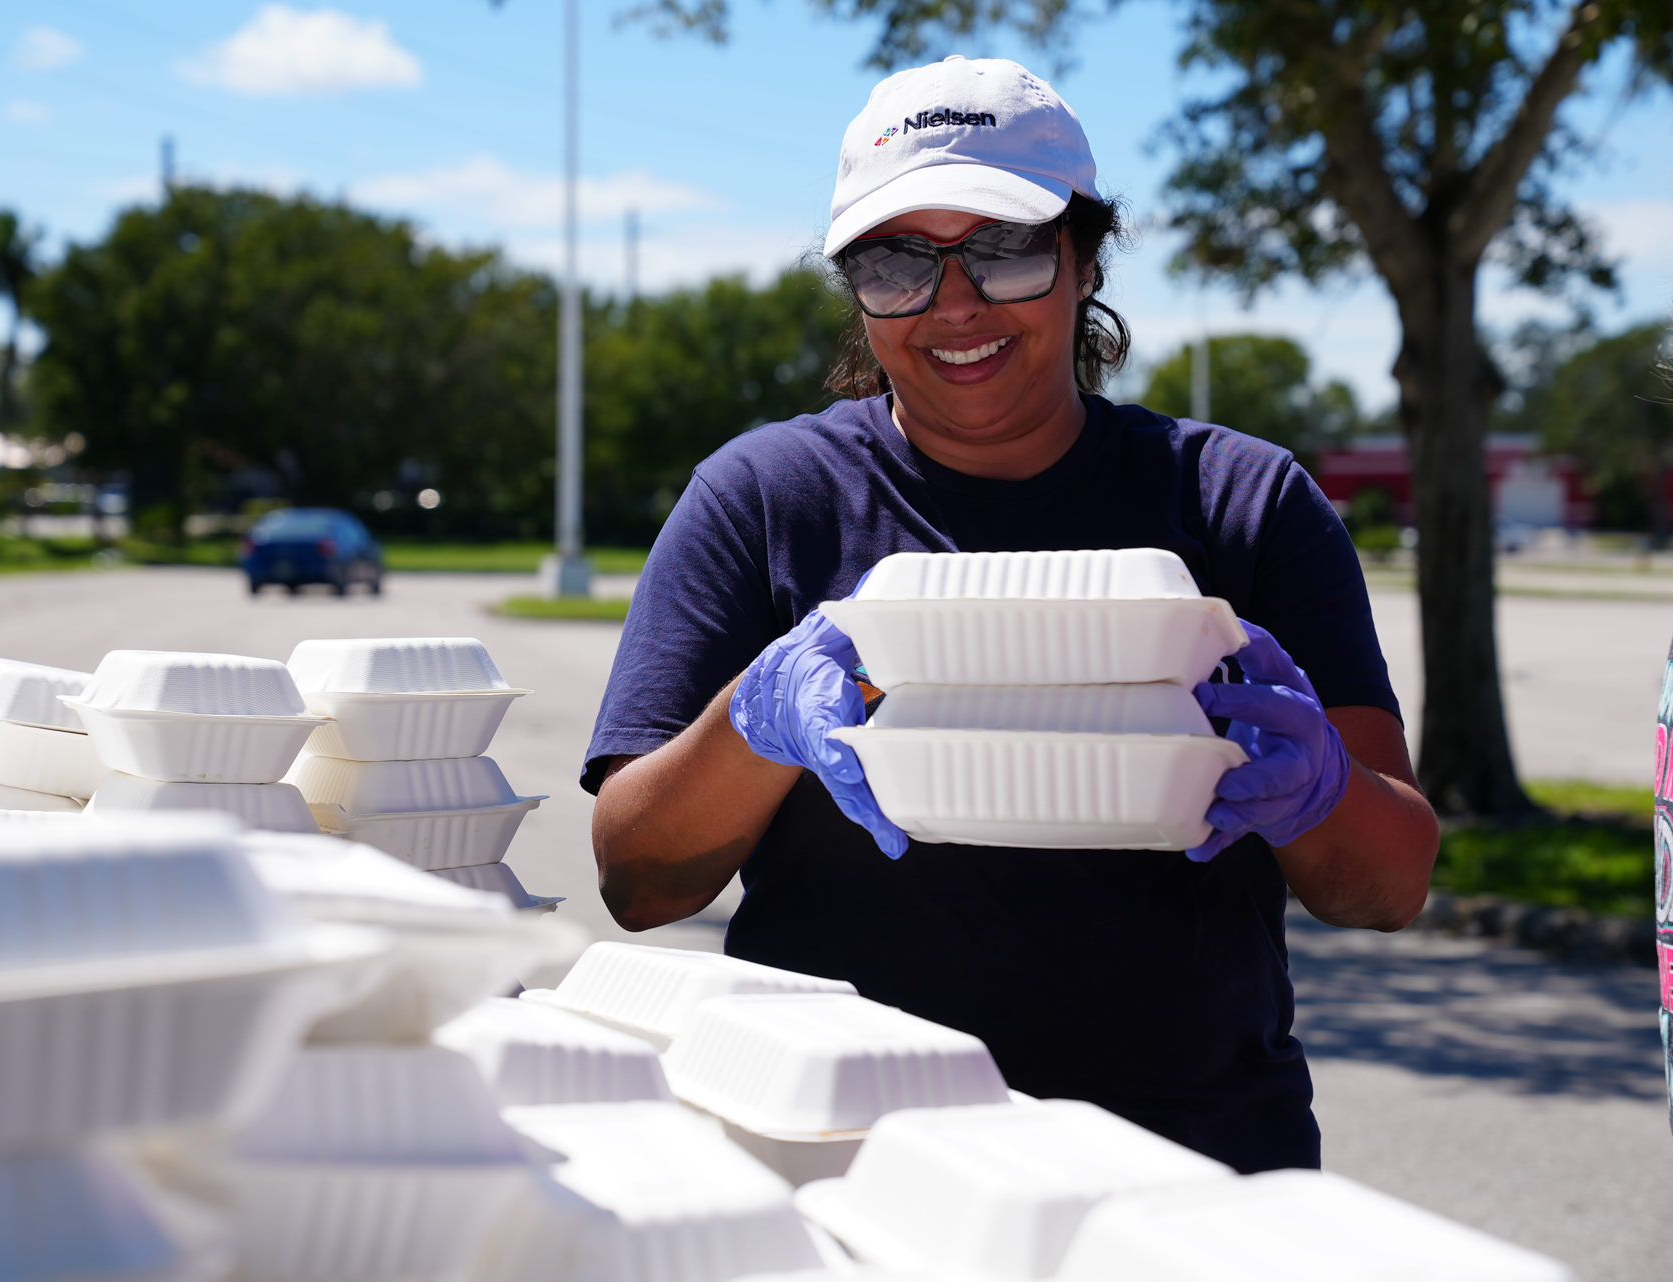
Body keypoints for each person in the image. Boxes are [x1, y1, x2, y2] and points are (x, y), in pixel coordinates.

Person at [581, 55, 1439, 1174]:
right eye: (898, 262)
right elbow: (637, 881)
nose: (954, 303)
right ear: (855, 286)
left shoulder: (1241, 501)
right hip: (837, 1160)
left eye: (1003, 249)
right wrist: (756, 717)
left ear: (1083, 258)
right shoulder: (763, 500)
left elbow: (1387, 887)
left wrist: (1316, 784)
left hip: (1186, 1171)